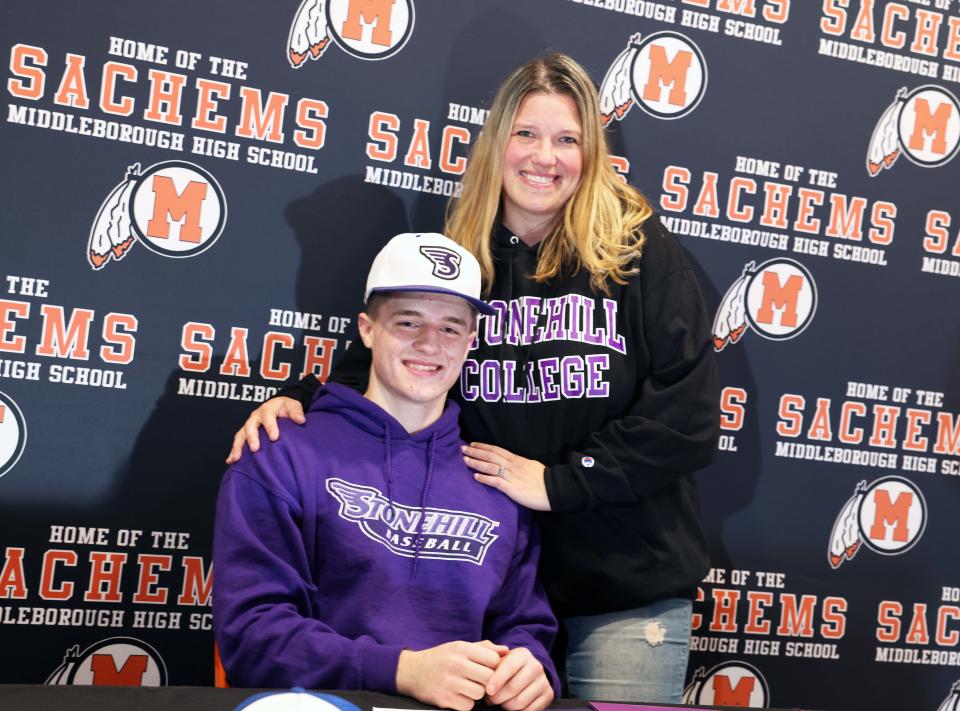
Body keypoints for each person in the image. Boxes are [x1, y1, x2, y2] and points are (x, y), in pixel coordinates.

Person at [227, 53, 719, 704]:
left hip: (620, 578)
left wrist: (560, 481)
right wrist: (299, 399)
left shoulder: (635, 250)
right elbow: (395, 344)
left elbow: (688, 416)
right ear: (497, 144)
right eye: (527, 134)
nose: (545, 157)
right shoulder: (463, 251)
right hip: (487, 581)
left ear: (590, 152)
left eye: (567, 139)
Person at [214, 232, 558, 711]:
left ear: (471, 343)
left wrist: (532, 665)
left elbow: (522, 623)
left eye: (451, 328)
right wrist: (403, 670)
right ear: (367, 329)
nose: (429, 344)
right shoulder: (280, 452)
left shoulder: (495, 478)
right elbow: (252, 635)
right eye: (407, 322)